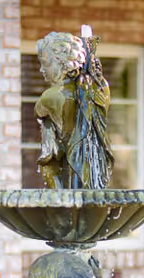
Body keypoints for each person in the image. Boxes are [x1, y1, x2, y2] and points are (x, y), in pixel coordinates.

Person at [34, 31, 114, 189]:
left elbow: (39, 112)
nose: (41, 70)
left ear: (63, 62)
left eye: (45, 63)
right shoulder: (100, 90)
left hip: (68, 176)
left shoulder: (50, 97)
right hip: (96, 173)